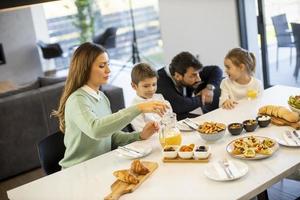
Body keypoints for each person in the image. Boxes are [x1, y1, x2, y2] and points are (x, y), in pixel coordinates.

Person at [53, 42, 167, 169]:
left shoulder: (102, 97)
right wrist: (139, 108)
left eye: (108, 64)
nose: (108, 70)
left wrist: (140, 135)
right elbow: (96, 130)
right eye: (102, 66)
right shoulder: (77, 100)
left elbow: (111, 136)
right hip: (79, 170)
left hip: (102, 165)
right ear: (85, 68)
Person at [156, 51, 223, 120]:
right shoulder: (159, 82)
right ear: (177, 76)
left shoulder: (190, 71)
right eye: (193, 76)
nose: (199, 79)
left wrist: (209, 88)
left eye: (198, 73)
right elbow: (180, 106)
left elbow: (216, 70)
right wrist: (202, 99)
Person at [130, 63, 173, 131]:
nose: (151, 89)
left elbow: (170, 119)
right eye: (146, 86)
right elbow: (142, 131)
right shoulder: (134, 107)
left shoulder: (159, 97)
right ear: (134, 86)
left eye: (154, 84)